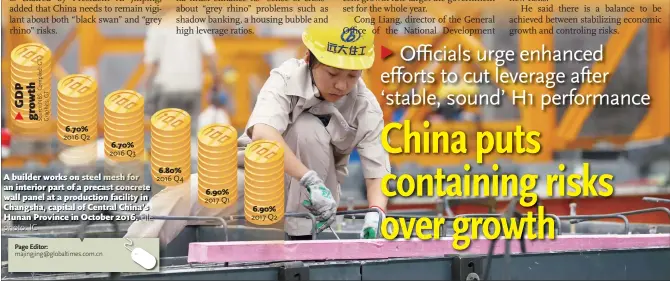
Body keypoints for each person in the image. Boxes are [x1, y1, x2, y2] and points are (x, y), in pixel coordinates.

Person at [124, 12, 390, 245]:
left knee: (308, 128)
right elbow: (264, 132)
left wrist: (375, 212)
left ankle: (301, 243)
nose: (342, 85)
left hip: (313, 201)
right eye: (333, 74)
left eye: (352, 76)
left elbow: (376, 168)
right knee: (178, 196)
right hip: (257, 179)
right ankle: (119, 258)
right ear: (309, 58)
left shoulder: (364, 105)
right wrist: (307, 176)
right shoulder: (285, 79)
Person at [139, 4, 220, 121]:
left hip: (167, 88)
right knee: (190, 132)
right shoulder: (197, 23)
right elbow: (211, 55)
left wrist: (145, 88)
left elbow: (151, 64)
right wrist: (217, 80)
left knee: (167, 133)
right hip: (192, 86)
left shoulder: (157, 27)